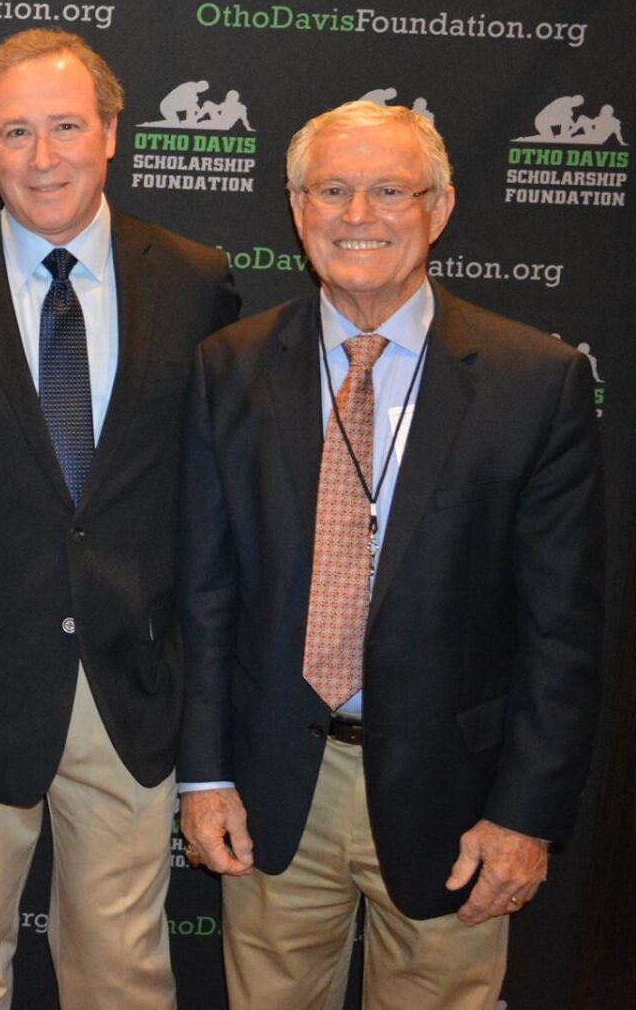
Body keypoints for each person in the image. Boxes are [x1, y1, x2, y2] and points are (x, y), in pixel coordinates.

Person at [179, 102, 604, 1009]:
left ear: (439, 208)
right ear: (297, 210)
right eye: (331, 191)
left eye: (387, 191)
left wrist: (525, 815)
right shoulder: (234, 366)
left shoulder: (536, 381)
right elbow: (207, 596)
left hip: (457, 797)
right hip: (274, 788)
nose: (357, 215)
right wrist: (207, 775)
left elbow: (561, 631)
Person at [0, 29, 238, 1010]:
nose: (44, 157)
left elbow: (217, 503)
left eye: (67, 127)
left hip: (132, 691)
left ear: (113, 132)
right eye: (16, 132)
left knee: (121, 974)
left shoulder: (197, 280)